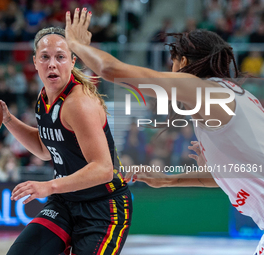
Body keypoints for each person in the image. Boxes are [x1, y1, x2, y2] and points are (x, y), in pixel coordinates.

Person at [65, 8, 264, 254]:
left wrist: (75, 43)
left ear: (184, 62)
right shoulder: (241, 98)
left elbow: (111, 70)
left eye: (173, 61)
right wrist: (171, 179)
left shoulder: (201, 89)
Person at [0, 26, 132, 255]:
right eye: (45, 57)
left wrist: (48, 186)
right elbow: (45, 149)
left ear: (72, 61)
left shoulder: (78, 103)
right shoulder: (43, 99)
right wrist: (8, 119)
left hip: (103, 207)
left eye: (60, 57)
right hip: (65, 202)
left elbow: (103, 169)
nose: (52, 64)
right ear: (35, 62)